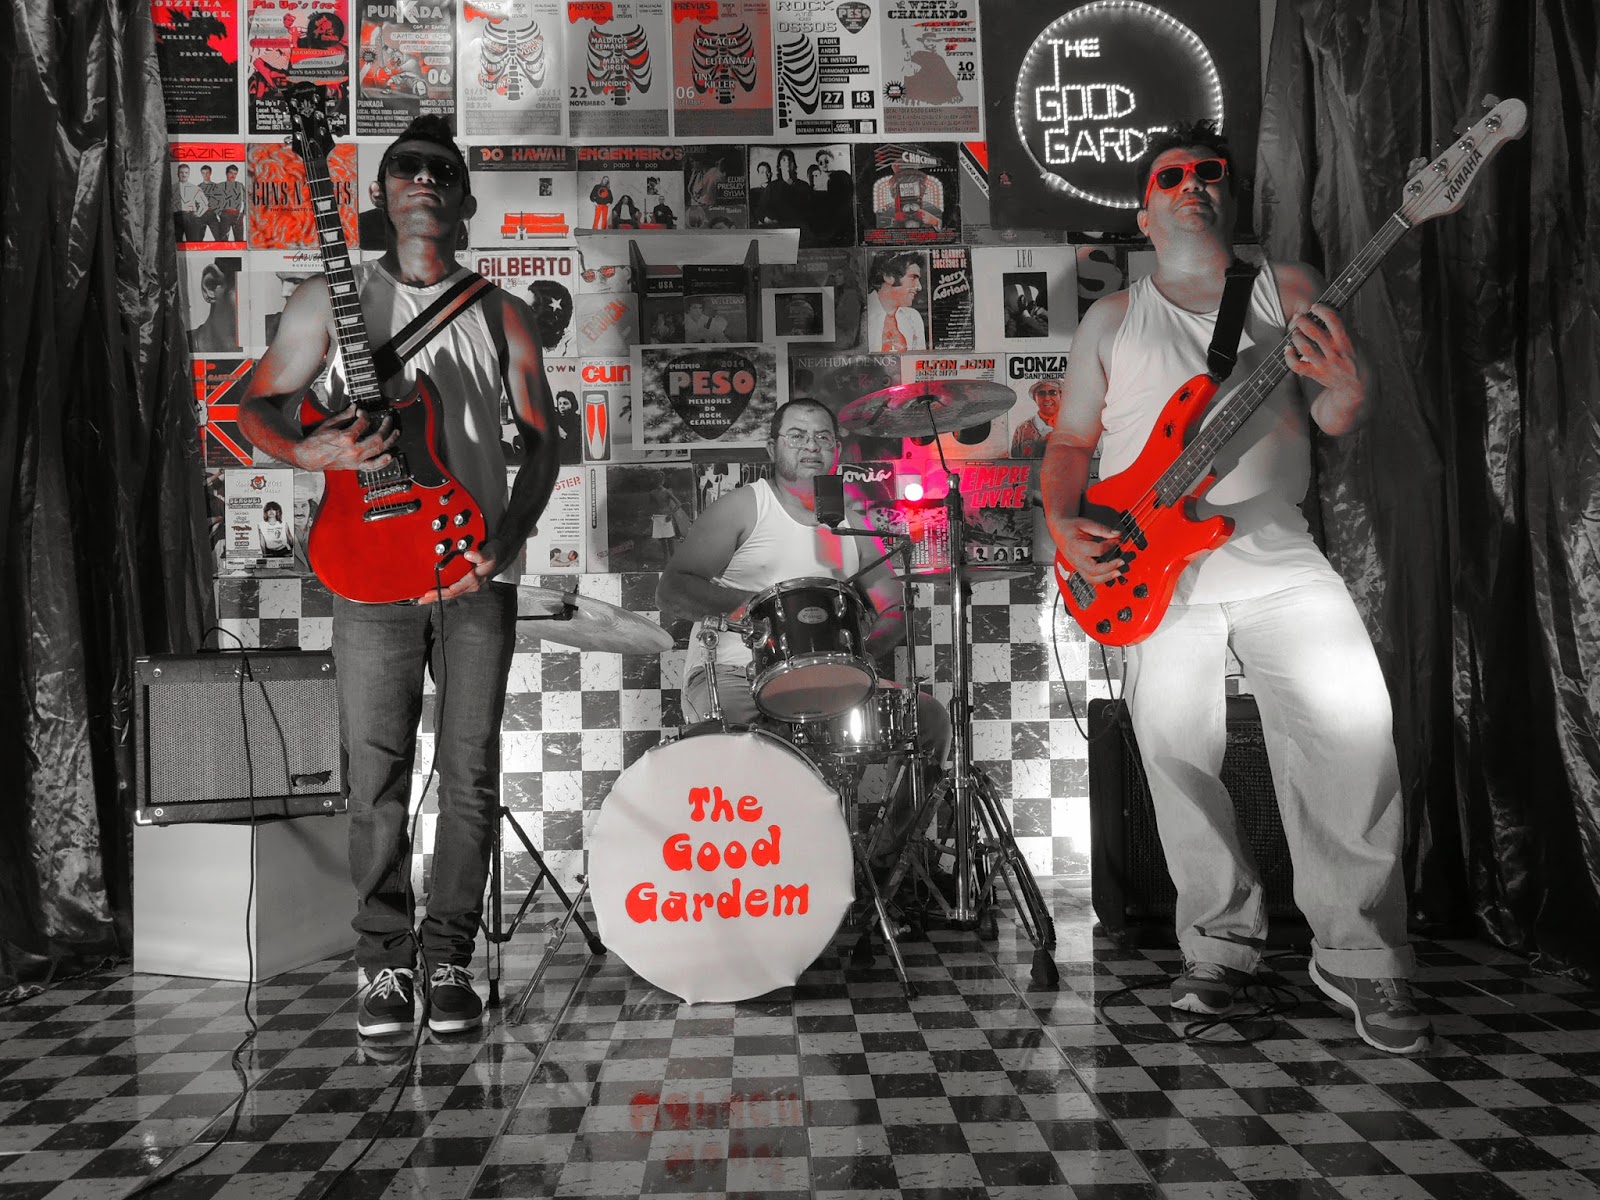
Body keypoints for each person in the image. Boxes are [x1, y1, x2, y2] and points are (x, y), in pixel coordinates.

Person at [1040, 121, 1431, 1055]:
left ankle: (1361, 956)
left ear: (1230, 195)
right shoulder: (1112, 318)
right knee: (1176, 759)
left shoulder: (1287, 289)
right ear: (1144, 210)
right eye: (1171, 175)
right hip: (1150, 569)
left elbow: (1335, 414)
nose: (1192, 184)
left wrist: (1351, 388)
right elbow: (1070, 444)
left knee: (1352, 736)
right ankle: (1219, 948)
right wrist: (1061, 523)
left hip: (1277, 551)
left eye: (1209, 172)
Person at [238, 115, 558, 1041]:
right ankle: (384, 961)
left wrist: (508, 539)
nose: (422, 179)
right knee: (374, 781)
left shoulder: (500, 313)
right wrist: (308, 449)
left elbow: (543, 441)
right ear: (381, 193)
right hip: (367, 574)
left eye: (440, 170)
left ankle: (449, 955)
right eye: (405, 167)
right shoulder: (324, 301)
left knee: (470, 775)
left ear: (463, 199)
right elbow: (256, 406)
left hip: (471, 576)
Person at [657, 399, 952, 861]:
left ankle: (879, 860)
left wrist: (864, 655)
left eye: (822, 437)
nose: (810, 446)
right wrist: (748, 610)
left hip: (829, 677)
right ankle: (762, 872)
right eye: (796, 436)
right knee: (743, 740)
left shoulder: (851, 519)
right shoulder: (745, 507)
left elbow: (893, 607)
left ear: (837, 450)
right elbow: (672, 590)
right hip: (735, 673)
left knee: (928, 720)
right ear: (772, 447)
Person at [864, 252, 926, 353]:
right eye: (913, 277)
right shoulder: (861, 312)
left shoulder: (913, 317)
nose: (919, 287)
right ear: (888, 277)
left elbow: (918, 359)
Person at [1010, 378, 1062, 459]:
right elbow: (1015, 460)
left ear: (1061, 396)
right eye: (1041, 393)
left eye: (1053, 393)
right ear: (1035, 398)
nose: (1047, 398)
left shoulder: (1074, 427)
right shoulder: (1022, 429)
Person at [212, 164, 247, 242]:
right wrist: (219, 213)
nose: (233, 175)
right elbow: (212, 202)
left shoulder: (240, 185)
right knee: (223, 241)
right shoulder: (220, 186)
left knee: (239, 240)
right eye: (231, 173)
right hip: (225, 215)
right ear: (226, 173)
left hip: (237, 215)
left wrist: (243, 213)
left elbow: (247, 200)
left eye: (235, 173)